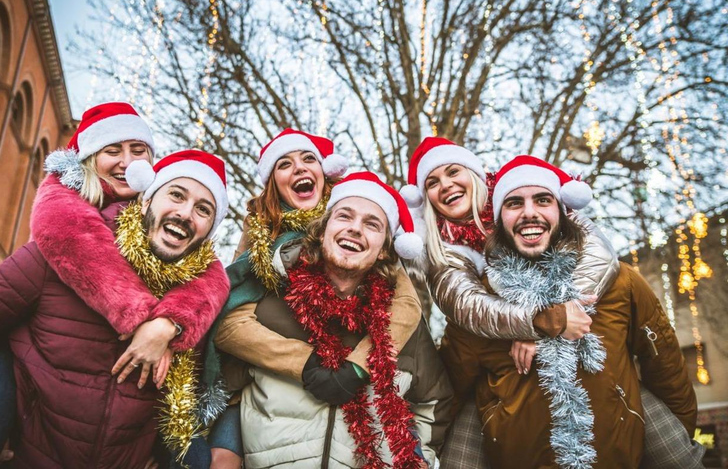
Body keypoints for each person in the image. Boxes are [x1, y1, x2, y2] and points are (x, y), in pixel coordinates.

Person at [0, 148, 231, 468]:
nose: (186, 213)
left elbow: (183, 410)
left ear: (209, 232)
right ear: (145, 201)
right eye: (176, 194)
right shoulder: (59, 256)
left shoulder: (196, 308)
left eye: (203, 209)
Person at [439, 155, 698, 468]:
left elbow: (666, 367)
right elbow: (452, 388)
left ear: (562, 213)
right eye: (514, 203)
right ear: (500, 220)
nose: (529, 213)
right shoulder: (480, 303)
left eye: (543, 200)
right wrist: (533, 324)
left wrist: (678, 436)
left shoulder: (620, 283)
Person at [201, 129, 424, 469]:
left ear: (324, 173)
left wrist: (357, 366)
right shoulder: (260, 233)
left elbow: (406, 306)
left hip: (349, 409)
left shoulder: (357, 214)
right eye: (285, 164)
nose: (300, 169)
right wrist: (304, 362)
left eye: (309, 160)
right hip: (254, 389)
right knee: (221, 459)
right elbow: (232, 315)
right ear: (273, 182)